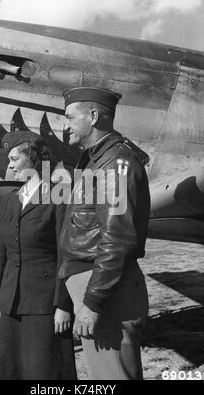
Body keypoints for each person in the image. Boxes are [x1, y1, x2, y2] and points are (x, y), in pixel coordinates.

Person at [58, 86, 151, 380]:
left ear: (94, 116)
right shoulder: (95, 160)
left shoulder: (114, 164)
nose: (65, 126)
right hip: (98, 286)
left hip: (106, 292)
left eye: (71, 118)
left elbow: (118, 239)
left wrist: (93, 302)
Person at [0, 130, 77, 380]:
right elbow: (2, 254)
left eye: (14, 159)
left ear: (32, 158)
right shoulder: (10, 201)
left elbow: (66, 254)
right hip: (11, 301)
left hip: (45, 304)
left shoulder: (59, 196)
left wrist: (63, 305)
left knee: (45, 371)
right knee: (11, 370)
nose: (10, 165)